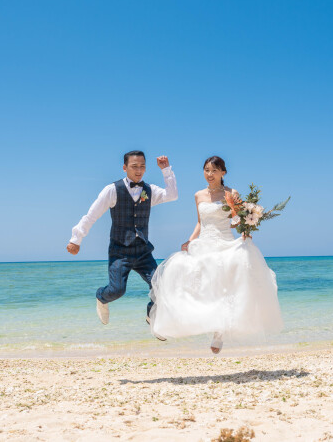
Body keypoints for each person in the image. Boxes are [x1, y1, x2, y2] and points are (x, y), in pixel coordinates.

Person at [148, 156, 283, 353]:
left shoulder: (231, 193)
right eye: (206, 170)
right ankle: (197, 322)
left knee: (227, 279)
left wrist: (246, 232)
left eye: (214, 171)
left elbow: (240, 219)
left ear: (223, 173)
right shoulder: (198, 195)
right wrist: (190, 240)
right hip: (204, 242)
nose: (209, 175)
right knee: (182, 271)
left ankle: (219, 333)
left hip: (226, 242)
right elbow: (200, 223)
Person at [67, 151, 178, 327]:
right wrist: (76, 238)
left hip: (143, 251)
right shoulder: (112, 190)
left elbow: (172, 195)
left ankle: (152, 315)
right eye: (134, 166)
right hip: (120, 251)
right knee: (117, 290)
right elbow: (91, 215)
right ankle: (101, 297)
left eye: (142, 166)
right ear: (125, 167)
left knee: (161, 286)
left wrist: (166, 171)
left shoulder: (150, 190)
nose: (139, 170)